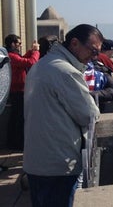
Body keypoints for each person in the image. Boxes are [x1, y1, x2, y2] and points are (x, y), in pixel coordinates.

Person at [23, 24, 102, 207]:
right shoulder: (65, 71)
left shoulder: (41, 65)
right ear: (74, 43)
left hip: (37, 162)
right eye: (92, 50)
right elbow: (89, 114)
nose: (94, 57)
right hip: (58, 165)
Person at [3, 34, 39, 151]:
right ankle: (15, 143)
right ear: (12, 44)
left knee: (17, 117)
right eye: (18, 43)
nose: (20, 45)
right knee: (18, 118)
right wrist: (36, 52)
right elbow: (29, 62)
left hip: (19, 90)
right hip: (17, 91)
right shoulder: (11, 56)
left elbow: (23, 59)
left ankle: (14, 142)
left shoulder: (12, 56)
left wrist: (31, 51)